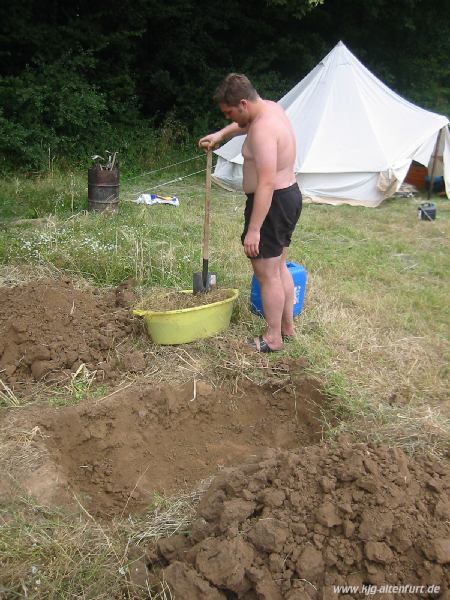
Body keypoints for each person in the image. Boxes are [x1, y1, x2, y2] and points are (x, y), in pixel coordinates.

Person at [199, 73, 302, 352]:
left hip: (272, 202)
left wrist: (254, 229)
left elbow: (266, 182)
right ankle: (287, 328)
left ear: (243, 103)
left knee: (266, 272)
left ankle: (272, 338)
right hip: (289, 196)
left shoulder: (262, 130)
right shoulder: (270, 108)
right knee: (279, 266)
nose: (228, 118)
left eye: (229, 113)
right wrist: (222, 135)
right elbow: (244, 125)